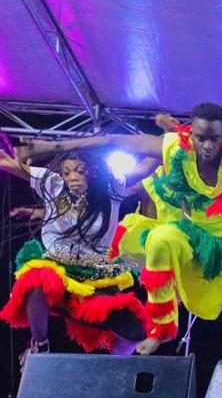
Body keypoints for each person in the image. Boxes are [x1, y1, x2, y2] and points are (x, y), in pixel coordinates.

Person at [18, 103, 222, 352]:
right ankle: (161, 327)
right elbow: (112, 141)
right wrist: (48, 146)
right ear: (191, 133)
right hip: (188, 237)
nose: (208, 146)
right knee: (159, 237)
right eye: (201, 138)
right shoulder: (176, 147)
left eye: (214, 139)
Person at [0, 148, 149, 363]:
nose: (73, 177)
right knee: (37, 278)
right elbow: (5, 161)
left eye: (80, 171)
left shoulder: (112, 188)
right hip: (57, 274)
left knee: (133, 334)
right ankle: (39, 345)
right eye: (67, 172)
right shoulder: (52, 182)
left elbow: (149, 164)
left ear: (94, 171)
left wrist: (173, 141)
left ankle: (110, 370)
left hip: (94, 279)